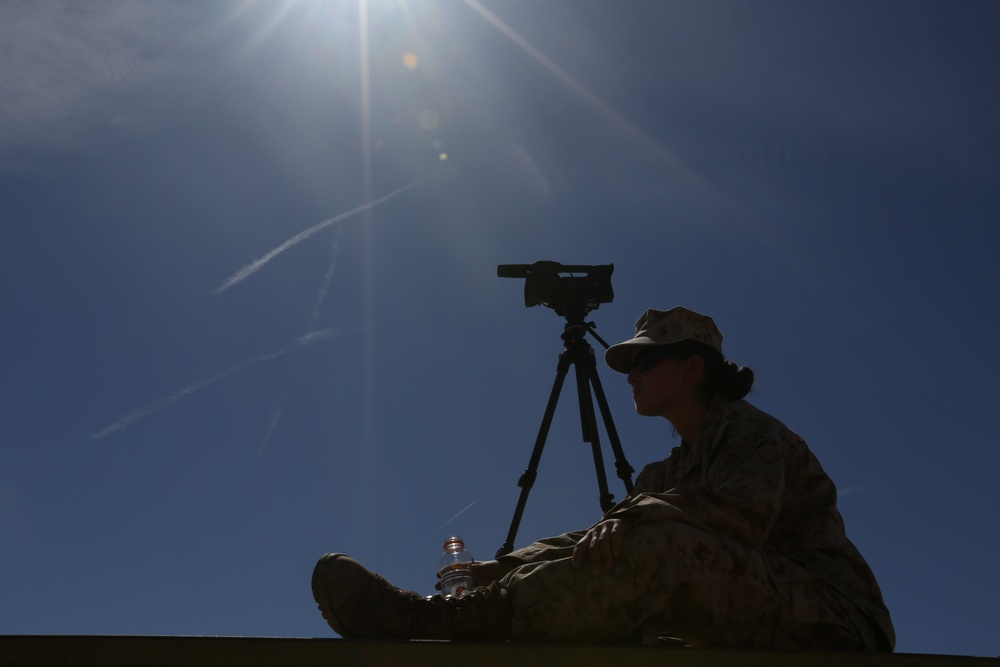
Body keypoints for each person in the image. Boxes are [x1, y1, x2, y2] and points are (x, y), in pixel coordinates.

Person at [311, 306, 895, 650]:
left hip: (830, 615)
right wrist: (502, 567)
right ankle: (462, 609)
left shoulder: (751, 431)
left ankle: (436, 623)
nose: (631, 375)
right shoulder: (667, 471)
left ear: (692, 368)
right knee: (617, 549)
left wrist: (636, 520)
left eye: (645, 362)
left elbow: (741, 517)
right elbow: (600, 538)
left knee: (657, 548)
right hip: (753, 605)